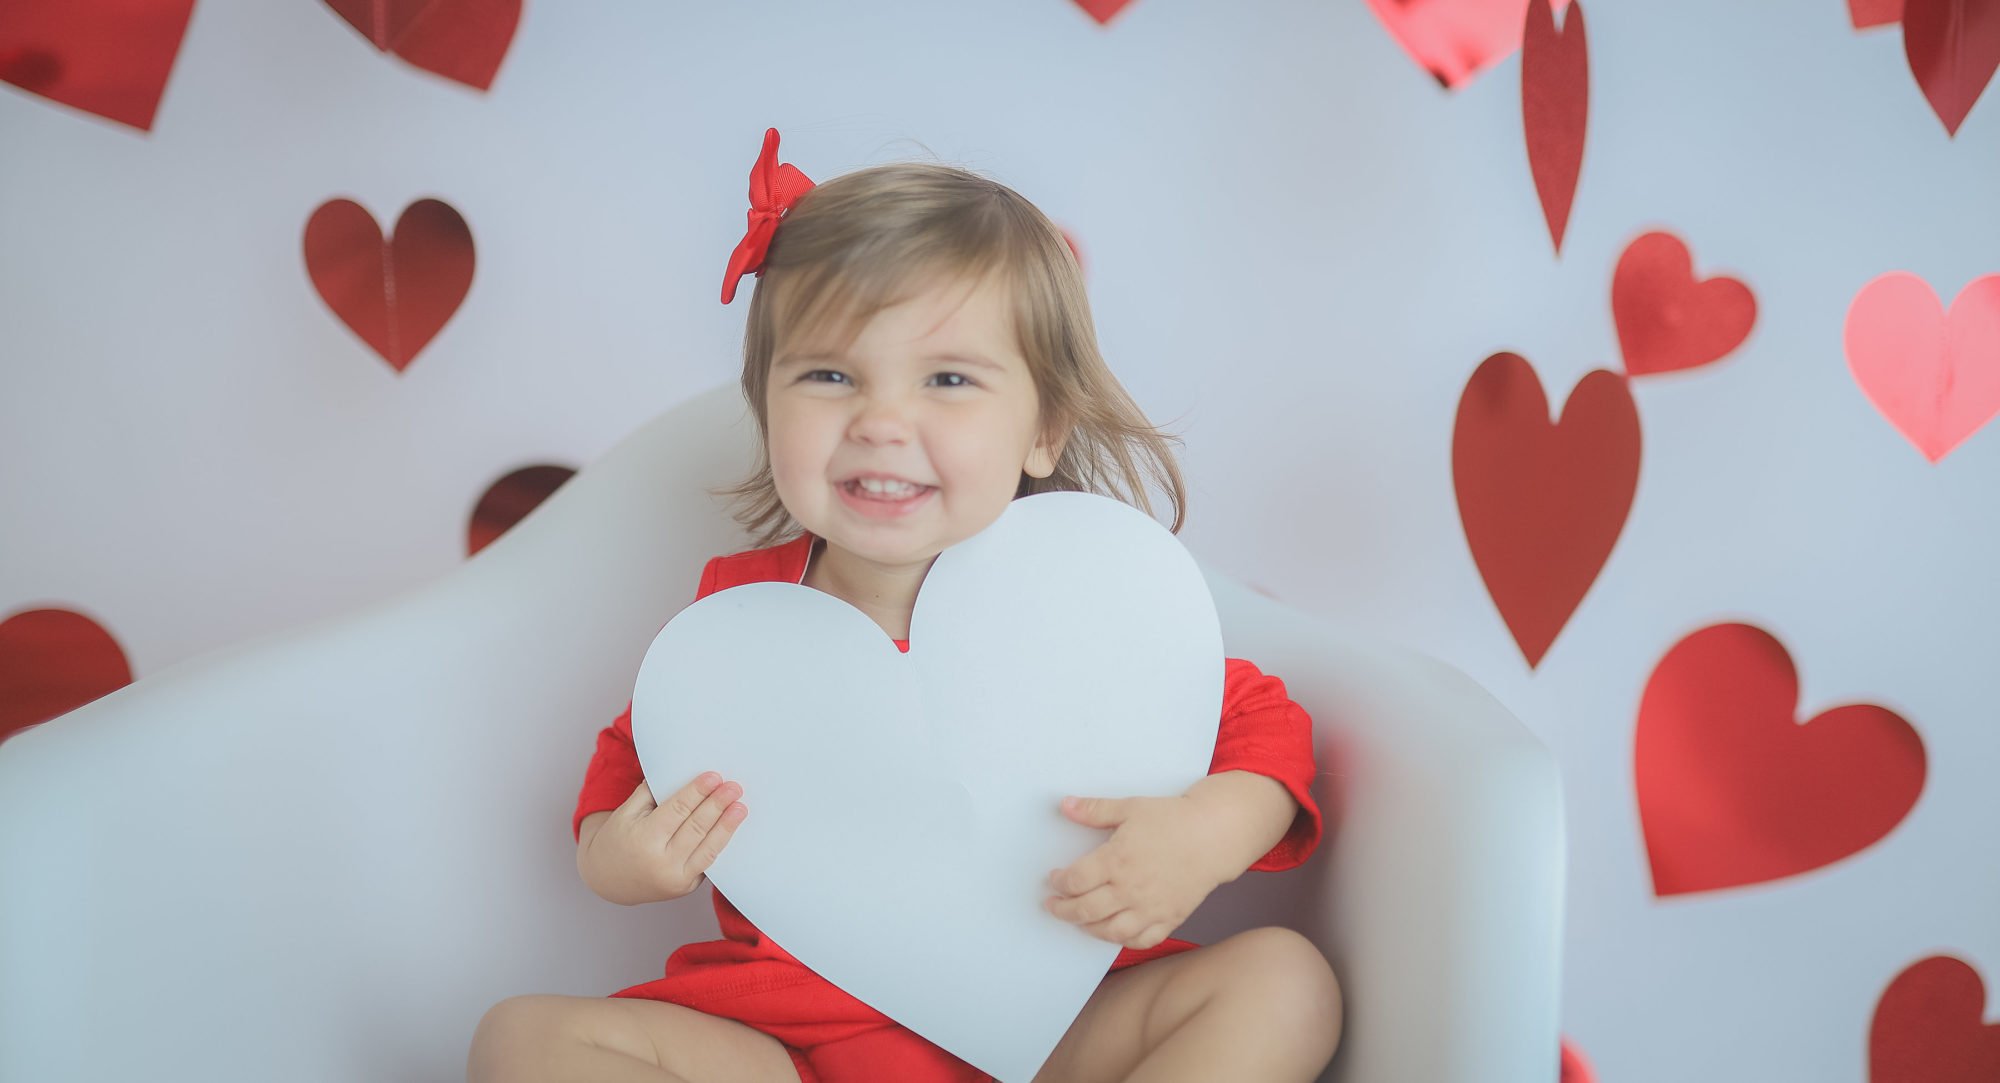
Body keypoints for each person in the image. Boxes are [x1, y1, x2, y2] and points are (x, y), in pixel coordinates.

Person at [468, 128, 1342, 1083]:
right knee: (524, 1040)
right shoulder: (735, 628)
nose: (882, 421)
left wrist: (1208, 832)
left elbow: (1262, 723)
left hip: (1053, 1029)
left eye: (948, 379)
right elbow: (623, 777)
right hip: (795, 1049)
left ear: (1044, 425)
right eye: (831, 375)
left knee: (1286, 981)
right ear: (767, 406)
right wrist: (624, 859)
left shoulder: (1090, 606)